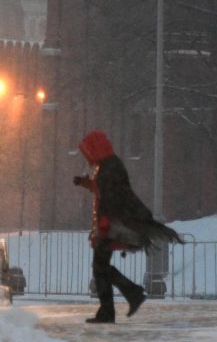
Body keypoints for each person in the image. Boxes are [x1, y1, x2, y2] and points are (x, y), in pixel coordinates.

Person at [73, 130, 182, 324]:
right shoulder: (107, 165)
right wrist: (85, 183)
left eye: (89, 151)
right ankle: (121, 301)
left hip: (111, 225)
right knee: (101, 267)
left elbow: (112, 197)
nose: (88, 156)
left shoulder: (109, 168)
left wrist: (105, 223)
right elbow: (103, 191)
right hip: (108, 223)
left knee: (100, 267)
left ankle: (126, 298)